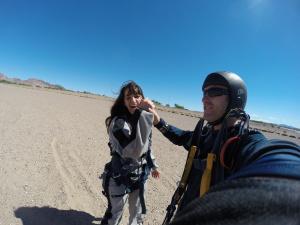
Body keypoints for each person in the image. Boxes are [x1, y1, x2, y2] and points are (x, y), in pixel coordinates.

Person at [144, 71, 300, 224]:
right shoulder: (204, 134)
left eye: (214, 92)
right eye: (204, 93)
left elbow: (275, 157)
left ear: (235, 98)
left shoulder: (244, 141)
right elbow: (182, 137)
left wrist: (288, 182)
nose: (205, 99)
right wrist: (158, 121)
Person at [100, 81, 160, 225]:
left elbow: (147, 147)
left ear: (142, 98)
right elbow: (134, 150)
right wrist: (143, 114)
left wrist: (153, 165)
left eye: (137, 96)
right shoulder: (118, 123)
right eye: (128, 97)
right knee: (114, 215)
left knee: (137, 215)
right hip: (119, 177)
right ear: (124, 101)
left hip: (140, 177)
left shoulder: (142, 119)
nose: (133, 100)